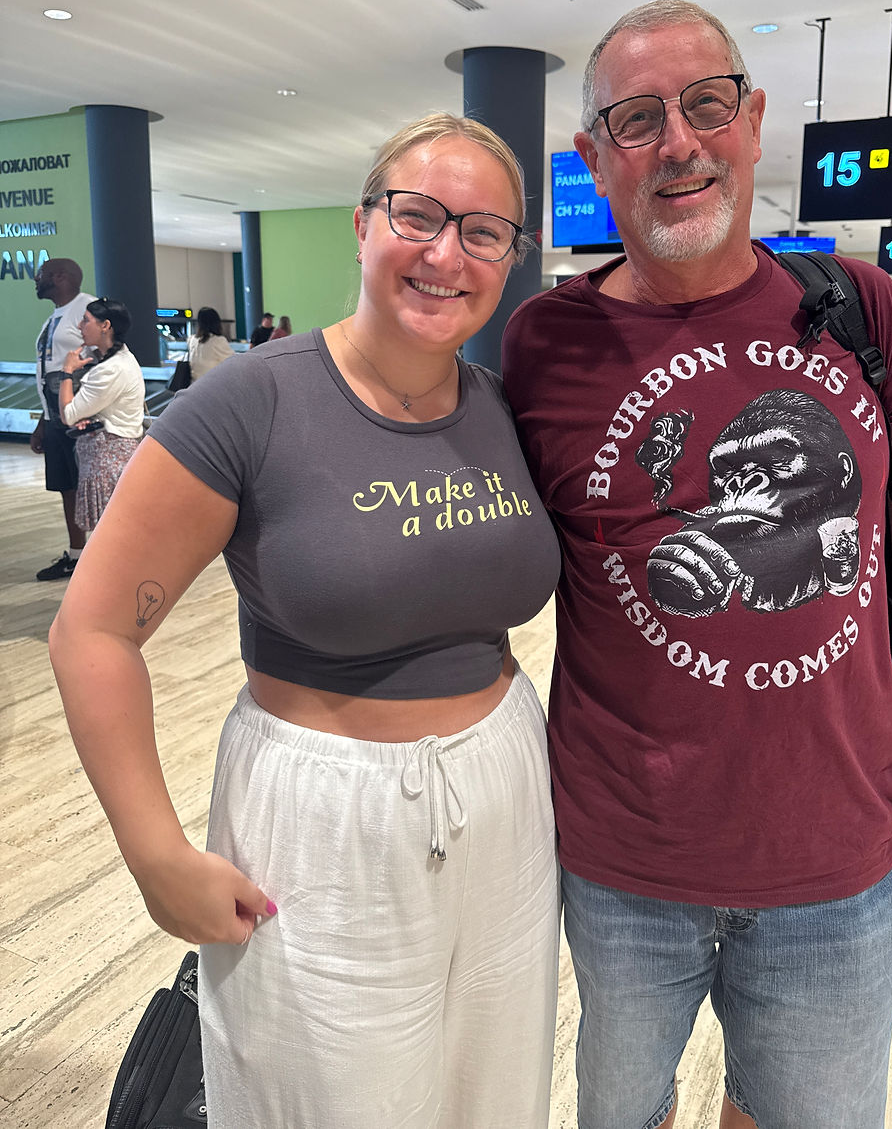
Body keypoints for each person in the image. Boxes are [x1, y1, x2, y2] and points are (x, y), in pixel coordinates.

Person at [502, 0, 892, 1129]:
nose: (677, 142)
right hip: (620, 852)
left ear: (752, 119)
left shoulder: (858, 308)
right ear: (592, 156)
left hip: (832, 848)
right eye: (635, 117)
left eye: (704, 103)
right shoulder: (543, 341)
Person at [49, 114, 561, 1129]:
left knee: (494, 1095)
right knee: (323, 1104)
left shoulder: (503, 407)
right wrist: (155, 854)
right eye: (417, 214)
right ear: (363, 223)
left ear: (510, 256)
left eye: (484, 230)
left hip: (506, 790)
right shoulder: (252, 402)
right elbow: (93, 630)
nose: (445, 252)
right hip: (322, 817)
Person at [58, 298, 145, 533]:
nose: (79, 326)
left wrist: (67, 371)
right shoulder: (115, 361)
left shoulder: (111, 369)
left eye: (86, 320)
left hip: (108, 465)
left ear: (105, 325)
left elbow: (68, 414)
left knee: (110, 535)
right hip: (109, 462)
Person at [32, 257, 94, 580]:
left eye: (40, 275)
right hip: (56, 419)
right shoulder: (53, 318)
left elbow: (103, 357)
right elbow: (48, 371)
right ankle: (76, 554)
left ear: (60, 277)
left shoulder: (89, 309)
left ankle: (105, 556)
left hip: (80, 419)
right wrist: (43, 420)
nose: (36, 281)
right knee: (66, 486)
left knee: (90, 486)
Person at [187, 306, 235, 380]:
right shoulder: (218, 341)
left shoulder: (192, 340)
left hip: (194, 385)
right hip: (212, 385)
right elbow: (232, 362)